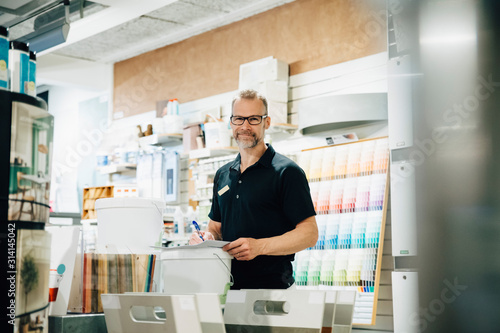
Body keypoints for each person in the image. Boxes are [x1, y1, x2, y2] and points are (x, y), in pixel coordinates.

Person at [189, 89, 318, 289]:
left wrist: (260, 246)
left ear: (266, 122)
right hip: (224, 287)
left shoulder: (287, 172)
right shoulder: (223, 175)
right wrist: (206, 238)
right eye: (239, 119)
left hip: (272, 290)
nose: (245, 126)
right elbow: (215, 227)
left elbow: (309, 234)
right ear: (231, 122)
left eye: (254, 119)